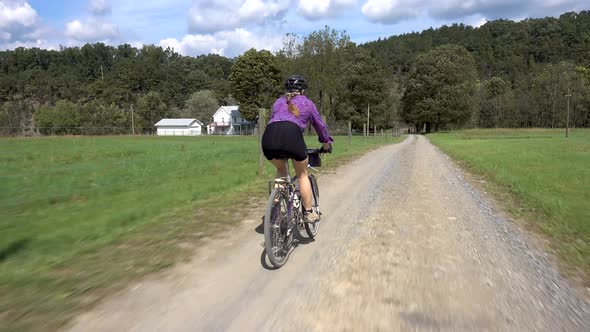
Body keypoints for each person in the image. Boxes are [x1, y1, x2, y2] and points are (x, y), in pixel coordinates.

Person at [262, 74, 333, 223]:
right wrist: (326, 144)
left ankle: (274, 211)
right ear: (302, 91)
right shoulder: (307, 103)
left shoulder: (278, 102)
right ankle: (308, 213)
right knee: (302, 175)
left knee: (281, 171)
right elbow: (320, 126)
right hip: (291, 136)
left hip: (269, 137)